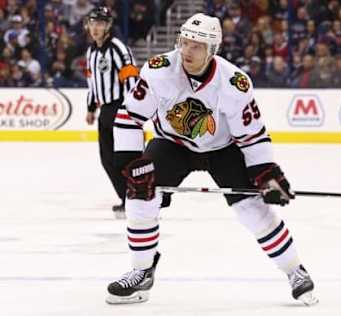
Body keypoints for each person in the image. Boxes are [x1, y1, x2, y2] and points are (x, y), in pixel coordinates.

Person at [108, 13, 318, 306]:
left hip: (223, 149)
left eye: (196, 46)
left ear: (213, 50)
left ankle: (295, 271)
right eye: (184, 42)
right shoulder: (159, 70)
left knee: (253, 209)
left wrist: (266, 173)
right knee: (140, 196)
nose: (186, 51)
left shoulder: (234, 83)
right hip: (172, 144)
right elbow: (129, 116)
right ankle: (142, 270)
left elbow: (253, 135)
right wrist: (131, 163)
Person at [84, 6, 139, 218]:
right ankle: (127, 198)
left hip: (120, 107)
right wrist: (90, 108)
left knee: (126, 158)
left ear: (108, 26)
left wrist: (131, 109)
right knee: (107, 159)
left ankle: (138, 200)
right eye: (92, 23)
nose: (95, 28)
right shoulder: (91, 52)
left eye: (100, 23)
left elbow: (131, 77)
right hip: (105, 111)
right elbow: (92, 84)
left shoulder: (117, 48)